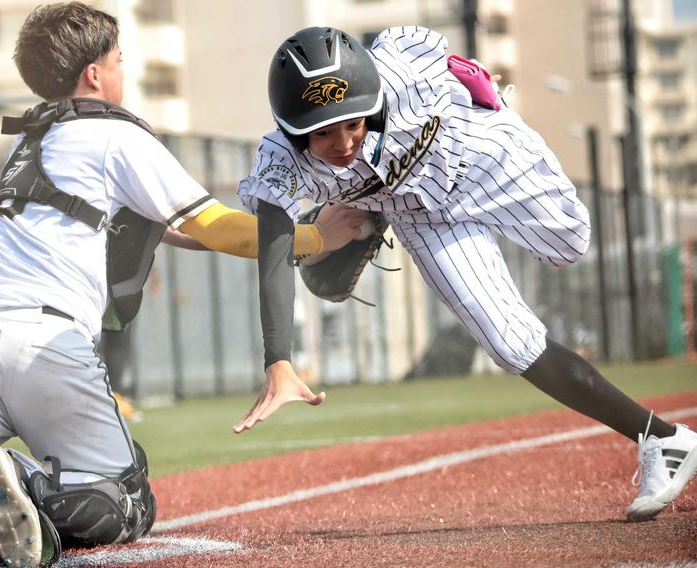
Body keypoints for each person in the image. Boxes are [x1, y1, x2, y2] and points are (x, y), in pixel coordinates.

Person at [0, 6, 366, 568]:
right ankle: (30, 485)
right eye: (118, 60)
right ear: (94, 73)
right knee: (127, 503)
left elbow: (164, 230)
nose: (122, 71)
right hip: (48, 343)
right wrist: (315, 237)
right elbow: (214, 225)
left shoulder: (29, 143)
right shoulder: (115, 137)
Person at [232, 25, 697, 523]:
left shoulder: (399, 70)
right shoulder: (279, 159)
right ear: (293, 129)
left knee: (570, 245)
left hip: (478, 151)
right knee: (509, 344)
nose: (342, 141)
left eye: (353, 122)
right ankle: (663, 440)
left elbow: (425, 41)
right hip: (417, 212)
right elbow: (275, 248)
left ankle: (364, 208)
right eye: (322, 132)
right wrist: (277, 360)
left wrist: (470, 79)